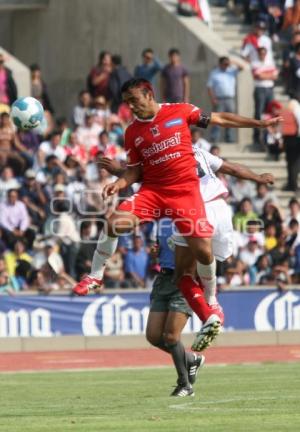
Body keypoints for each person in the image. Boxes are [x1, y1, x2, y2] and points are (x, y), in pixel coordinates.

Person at [72, 78, 281, 351]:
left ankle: (212, 301)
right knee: (114, 222)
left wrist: (258, 124)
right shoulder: (132, 132)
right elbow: (134, 171)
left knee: (204, 253)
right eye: (126, 102)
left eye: (134, 99)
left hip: (184, 194)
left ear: (149, 94)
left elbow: (220, 118)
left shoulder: (180, 111)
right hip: (154, 192)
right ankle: (95, 276)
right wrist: (119, 183)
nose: (130, 106)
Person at [207, 56, 243, 143]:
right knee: (217, 119)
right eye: (224, 63)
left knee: (231, 119)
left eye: (227, 64)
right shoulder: (214, 73)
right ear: (220, 64)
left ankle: (230, 138)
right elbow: (209, 86)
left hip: (230, 99)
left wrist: (232, 62)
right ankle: (214, 138)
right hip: (219, 99)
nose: (226, 65)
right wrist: (213, 98)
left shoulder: (231, 71)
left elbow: (242, 67)